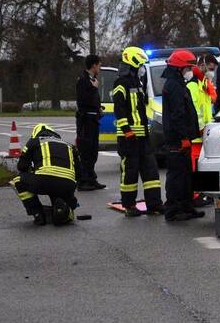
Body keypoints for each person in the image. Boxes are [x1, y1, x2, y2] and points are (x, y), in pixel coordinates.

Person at [112, 46, 163, 217]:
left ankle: (154, 204)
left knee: (151, 171)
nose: (142, 68)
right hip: (129, 138)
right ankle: (129, 205)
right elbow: (119, 109)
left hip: (143, 137)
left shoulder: (138, 83)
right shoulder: (120, 83)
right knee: (130, 173)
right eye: (141, 64)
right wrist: (127, 130)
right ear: (133, 63)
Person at [11, 124, 81, 226]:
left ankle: (38, 213)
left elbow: (21, 166)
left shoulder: (34, 141)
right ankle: (64, 209)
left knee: (18, 180)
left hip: (44, 181)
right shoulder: (69, 146)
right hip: (68, 184)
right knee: (59, 185)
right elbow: (79, 173)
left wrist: (34, 169)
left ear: (36, 134)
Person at [162, 49, 203, 222]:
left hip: (186, 137)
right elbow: (177, 115)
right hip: (178, 139)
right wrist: (184, 137)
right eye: (188, 67)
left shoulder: (179, 84)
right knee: (177, 176)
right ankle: (173, 209)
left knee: (186, 175)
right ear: (179, 68)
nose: (190, 71)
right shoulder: (174, 86)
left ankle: (187, 206)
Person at [75, 54, 105, 191]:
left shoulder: (93, 80)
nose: (100, 67)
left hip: (93, 120)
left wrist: (99, 108)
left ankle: (92, 179)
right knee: (85, 151)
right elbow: (82, 100)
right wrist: (93, 89)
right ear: (93, 65)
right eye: (99, 65)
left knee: (93, 151)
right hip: (85, 120)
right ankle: (83, 181)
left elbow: (94, 100)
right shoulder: (83, 80)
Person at [188, 59, 215, 207]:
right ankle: (196, 195)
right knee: (195, 166)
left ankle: (207, 194)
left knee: (204, 165)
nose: (209, 70)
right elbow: (195, 111)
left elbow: (210, 105)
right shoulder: (193, 86)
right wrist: (200, 128)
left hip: (205, 131)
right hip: (198, 133)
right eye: (207, 67)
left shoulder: (204, 85)